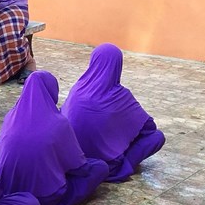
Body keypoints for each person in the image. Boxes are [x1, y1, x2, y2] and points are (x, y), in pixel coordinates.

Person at [0, 71, 109, 205]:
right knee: (99, 167)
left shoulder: (11, 117)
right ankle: (57, 202)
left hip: (9, 189)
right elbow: (80, 168)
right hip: (45, 198)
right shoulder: (59, 123)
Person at [61, 43, 166, 182]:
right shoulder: (120, 96)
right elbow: (149, 128)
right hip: (108, 163)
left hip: (72, 158)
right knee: (157, 137)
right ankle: (122, 168)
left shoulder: (77, 89)